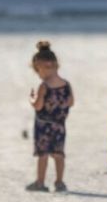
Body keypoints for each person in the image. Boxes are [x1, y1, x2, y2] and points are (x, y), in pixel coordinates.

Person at [27, 41, 74, 193]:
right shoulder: (66, 84)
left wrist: (32, 98)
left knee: (43, 155)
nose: (39, 74)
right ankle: (59, 182)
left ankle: (40, 183)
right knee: (59, 154)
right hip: (60, 126)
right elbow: (71, 102)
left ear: (42, 67)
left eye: (38, 71)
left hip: (44, 126)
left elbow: (38, 106)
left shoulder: (44, 86)